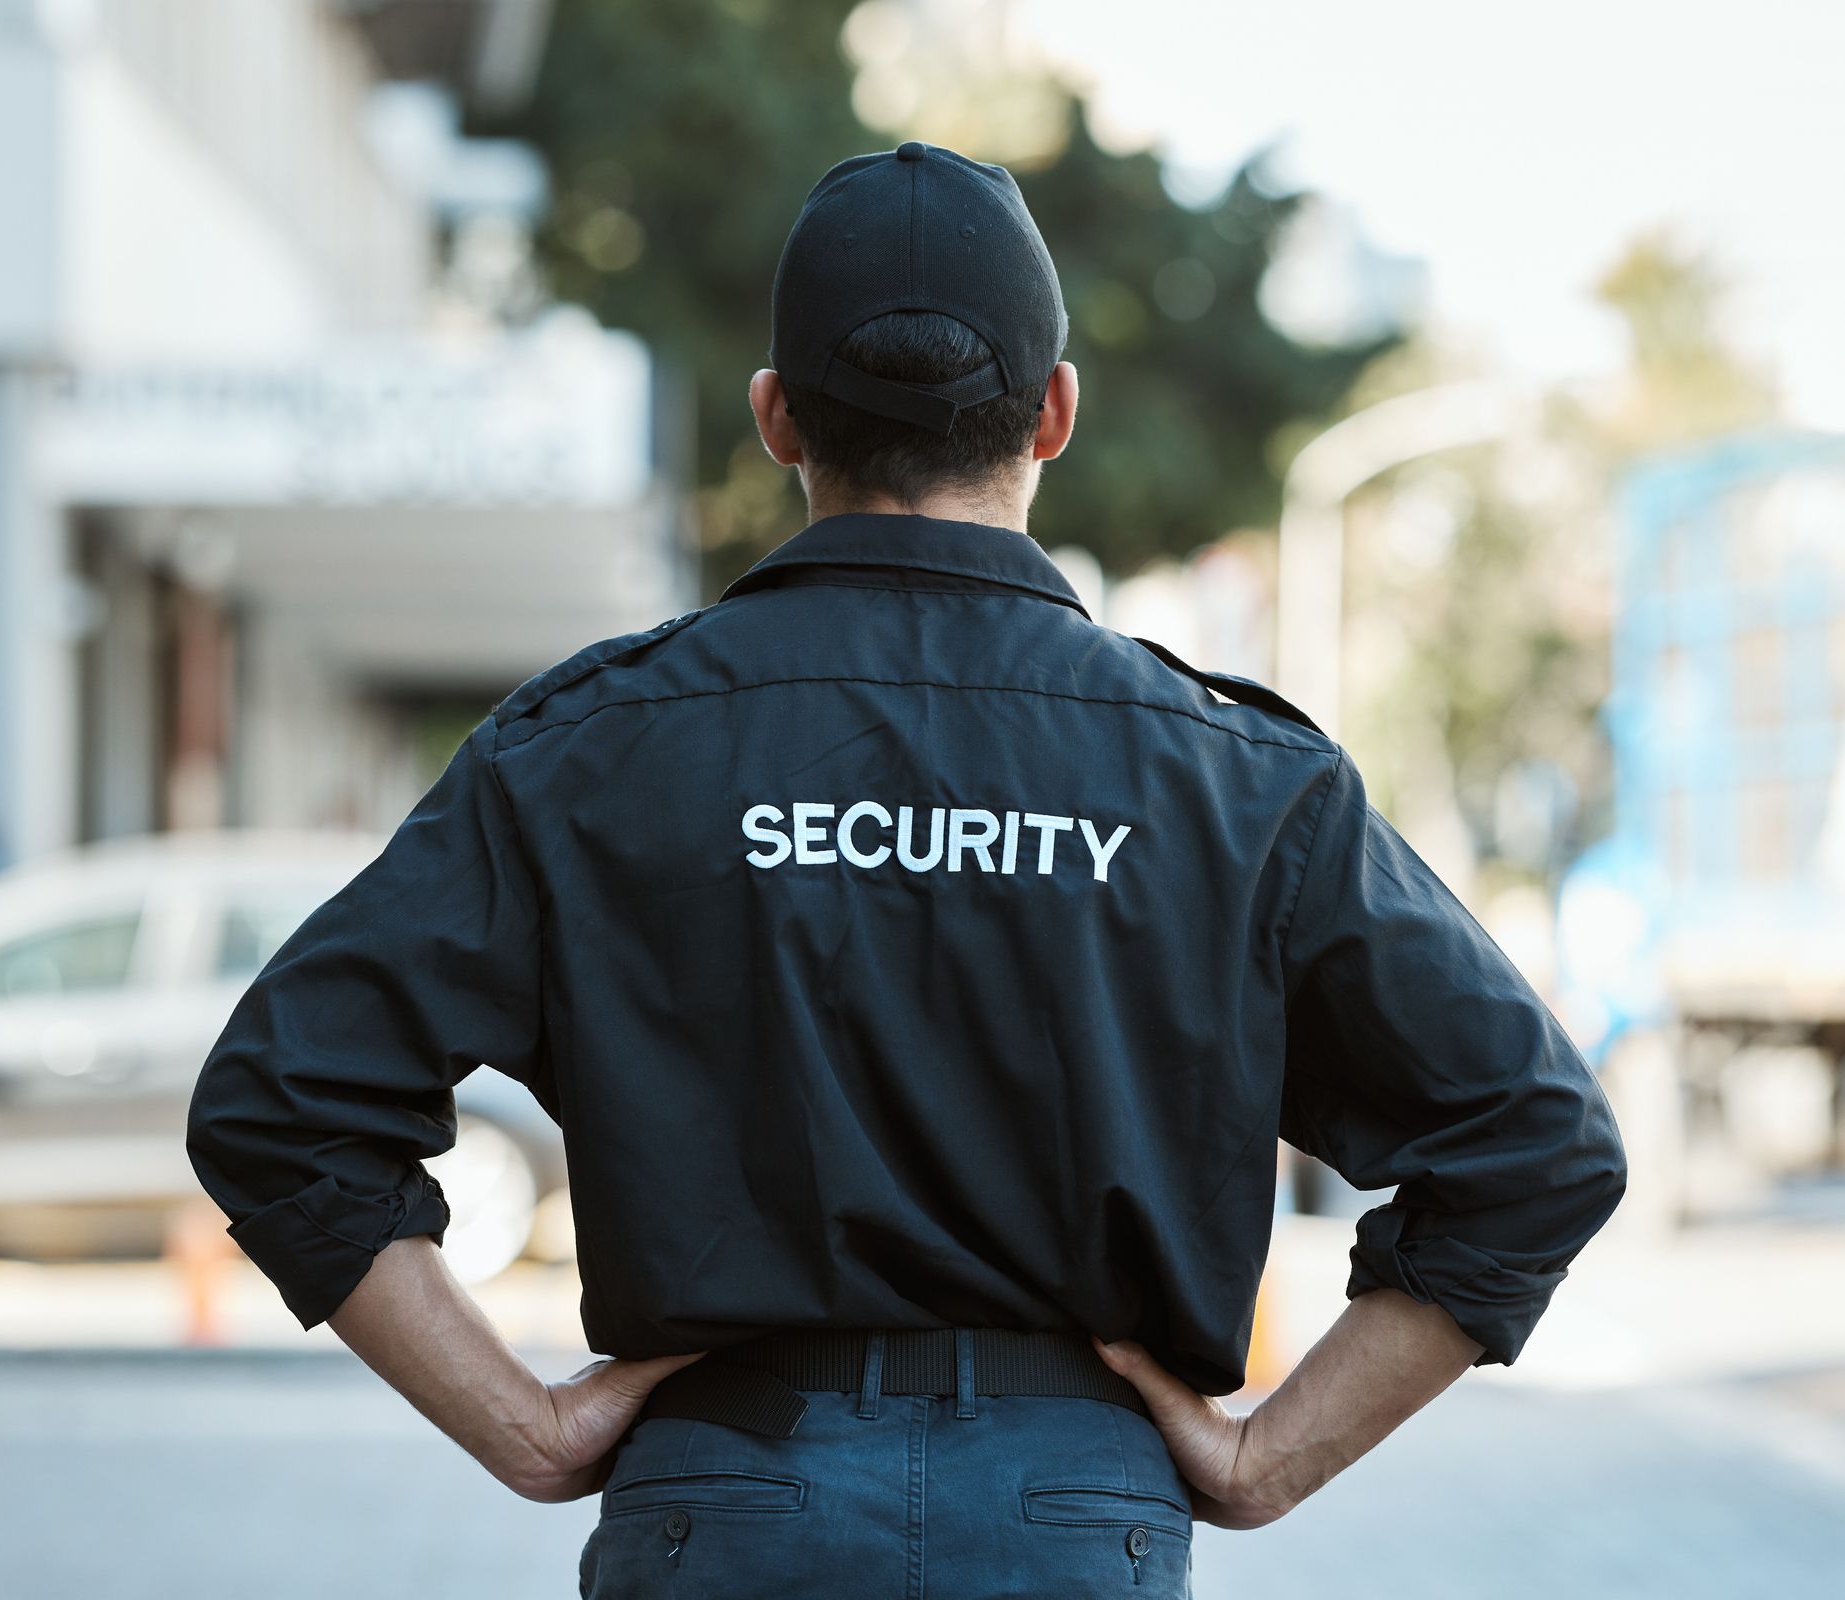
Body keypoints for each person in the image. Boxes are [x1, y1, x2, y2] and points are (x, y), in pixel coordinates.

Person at [186, 142, 1627, 1599]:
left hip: (729, 1496)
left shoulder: (590, 748)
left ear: (775, 418)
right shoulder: (1239, 780)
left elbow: (282, 1101)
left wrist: (525, 1428)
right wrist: (1270, 1459)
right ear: (1053, 412)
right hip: (1074, 1512)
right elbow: (1533, 1144)